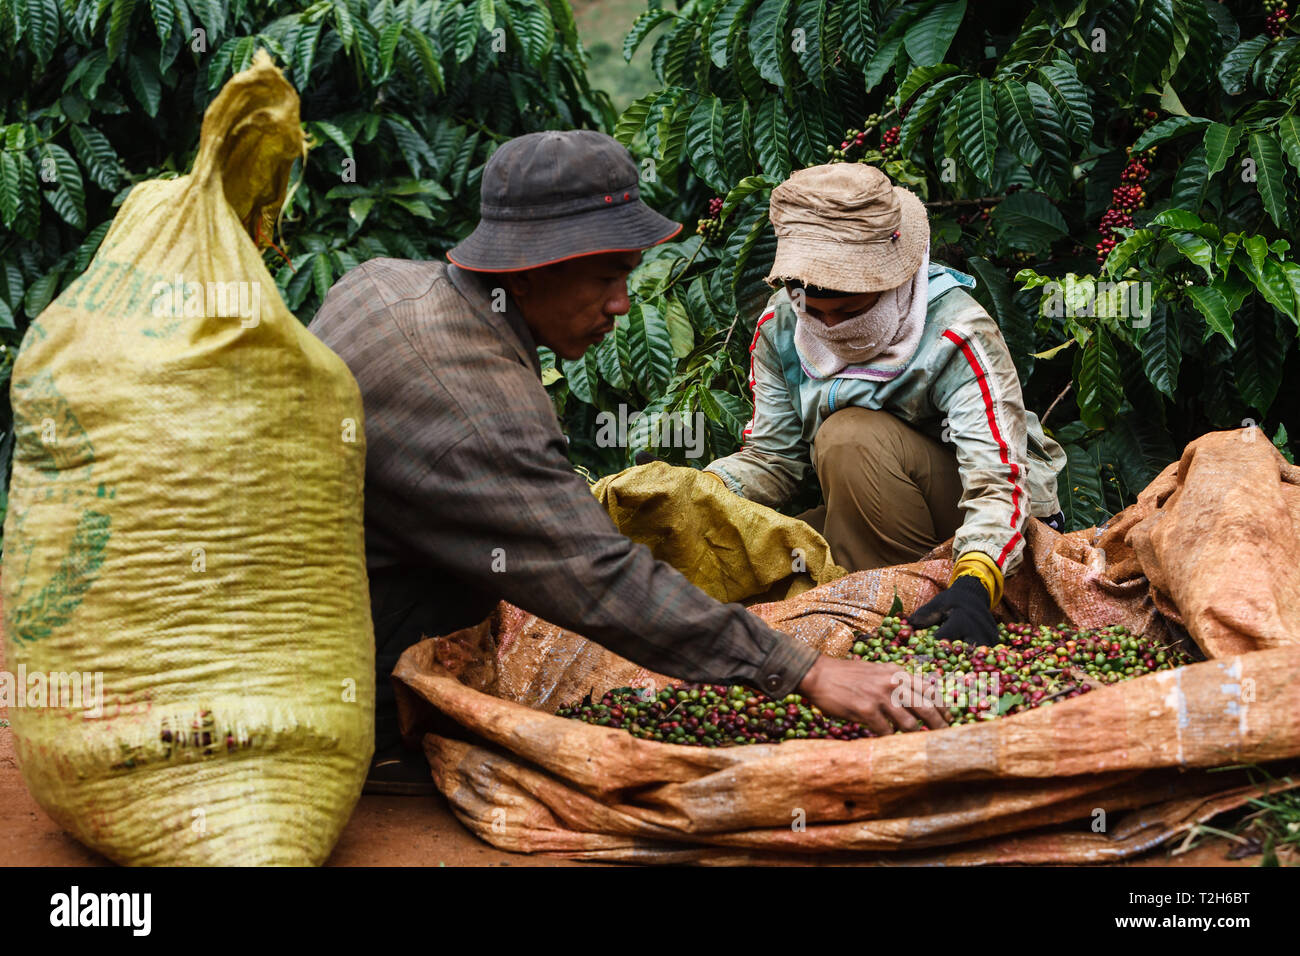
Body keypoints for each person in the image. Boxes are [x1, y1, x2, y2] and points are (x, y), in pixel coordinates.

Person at [309, 131, 947, 793]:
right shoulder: (478, 408)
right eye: (607, 278)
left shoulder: (377, 283)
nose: (621, 303)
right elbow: (598, 578)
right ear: (527, 272)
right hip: (333, 662)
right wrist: (805, 672)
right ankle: (394, 740)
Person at [704, 163, 1067, 647]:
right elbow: (773, 461)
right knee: (759, 558)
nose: (831, 327)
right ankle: (872, 603)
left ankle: (892, 616)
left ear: (893, 281)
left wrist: (976, 580)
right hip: (872, 505)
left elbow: (997, 478)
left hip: (984, 520)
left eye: (850, 312)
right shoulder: (780, 328)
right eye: (817, 312)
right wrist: (699, 490)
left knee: (850, 437)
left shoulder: (957, 330)